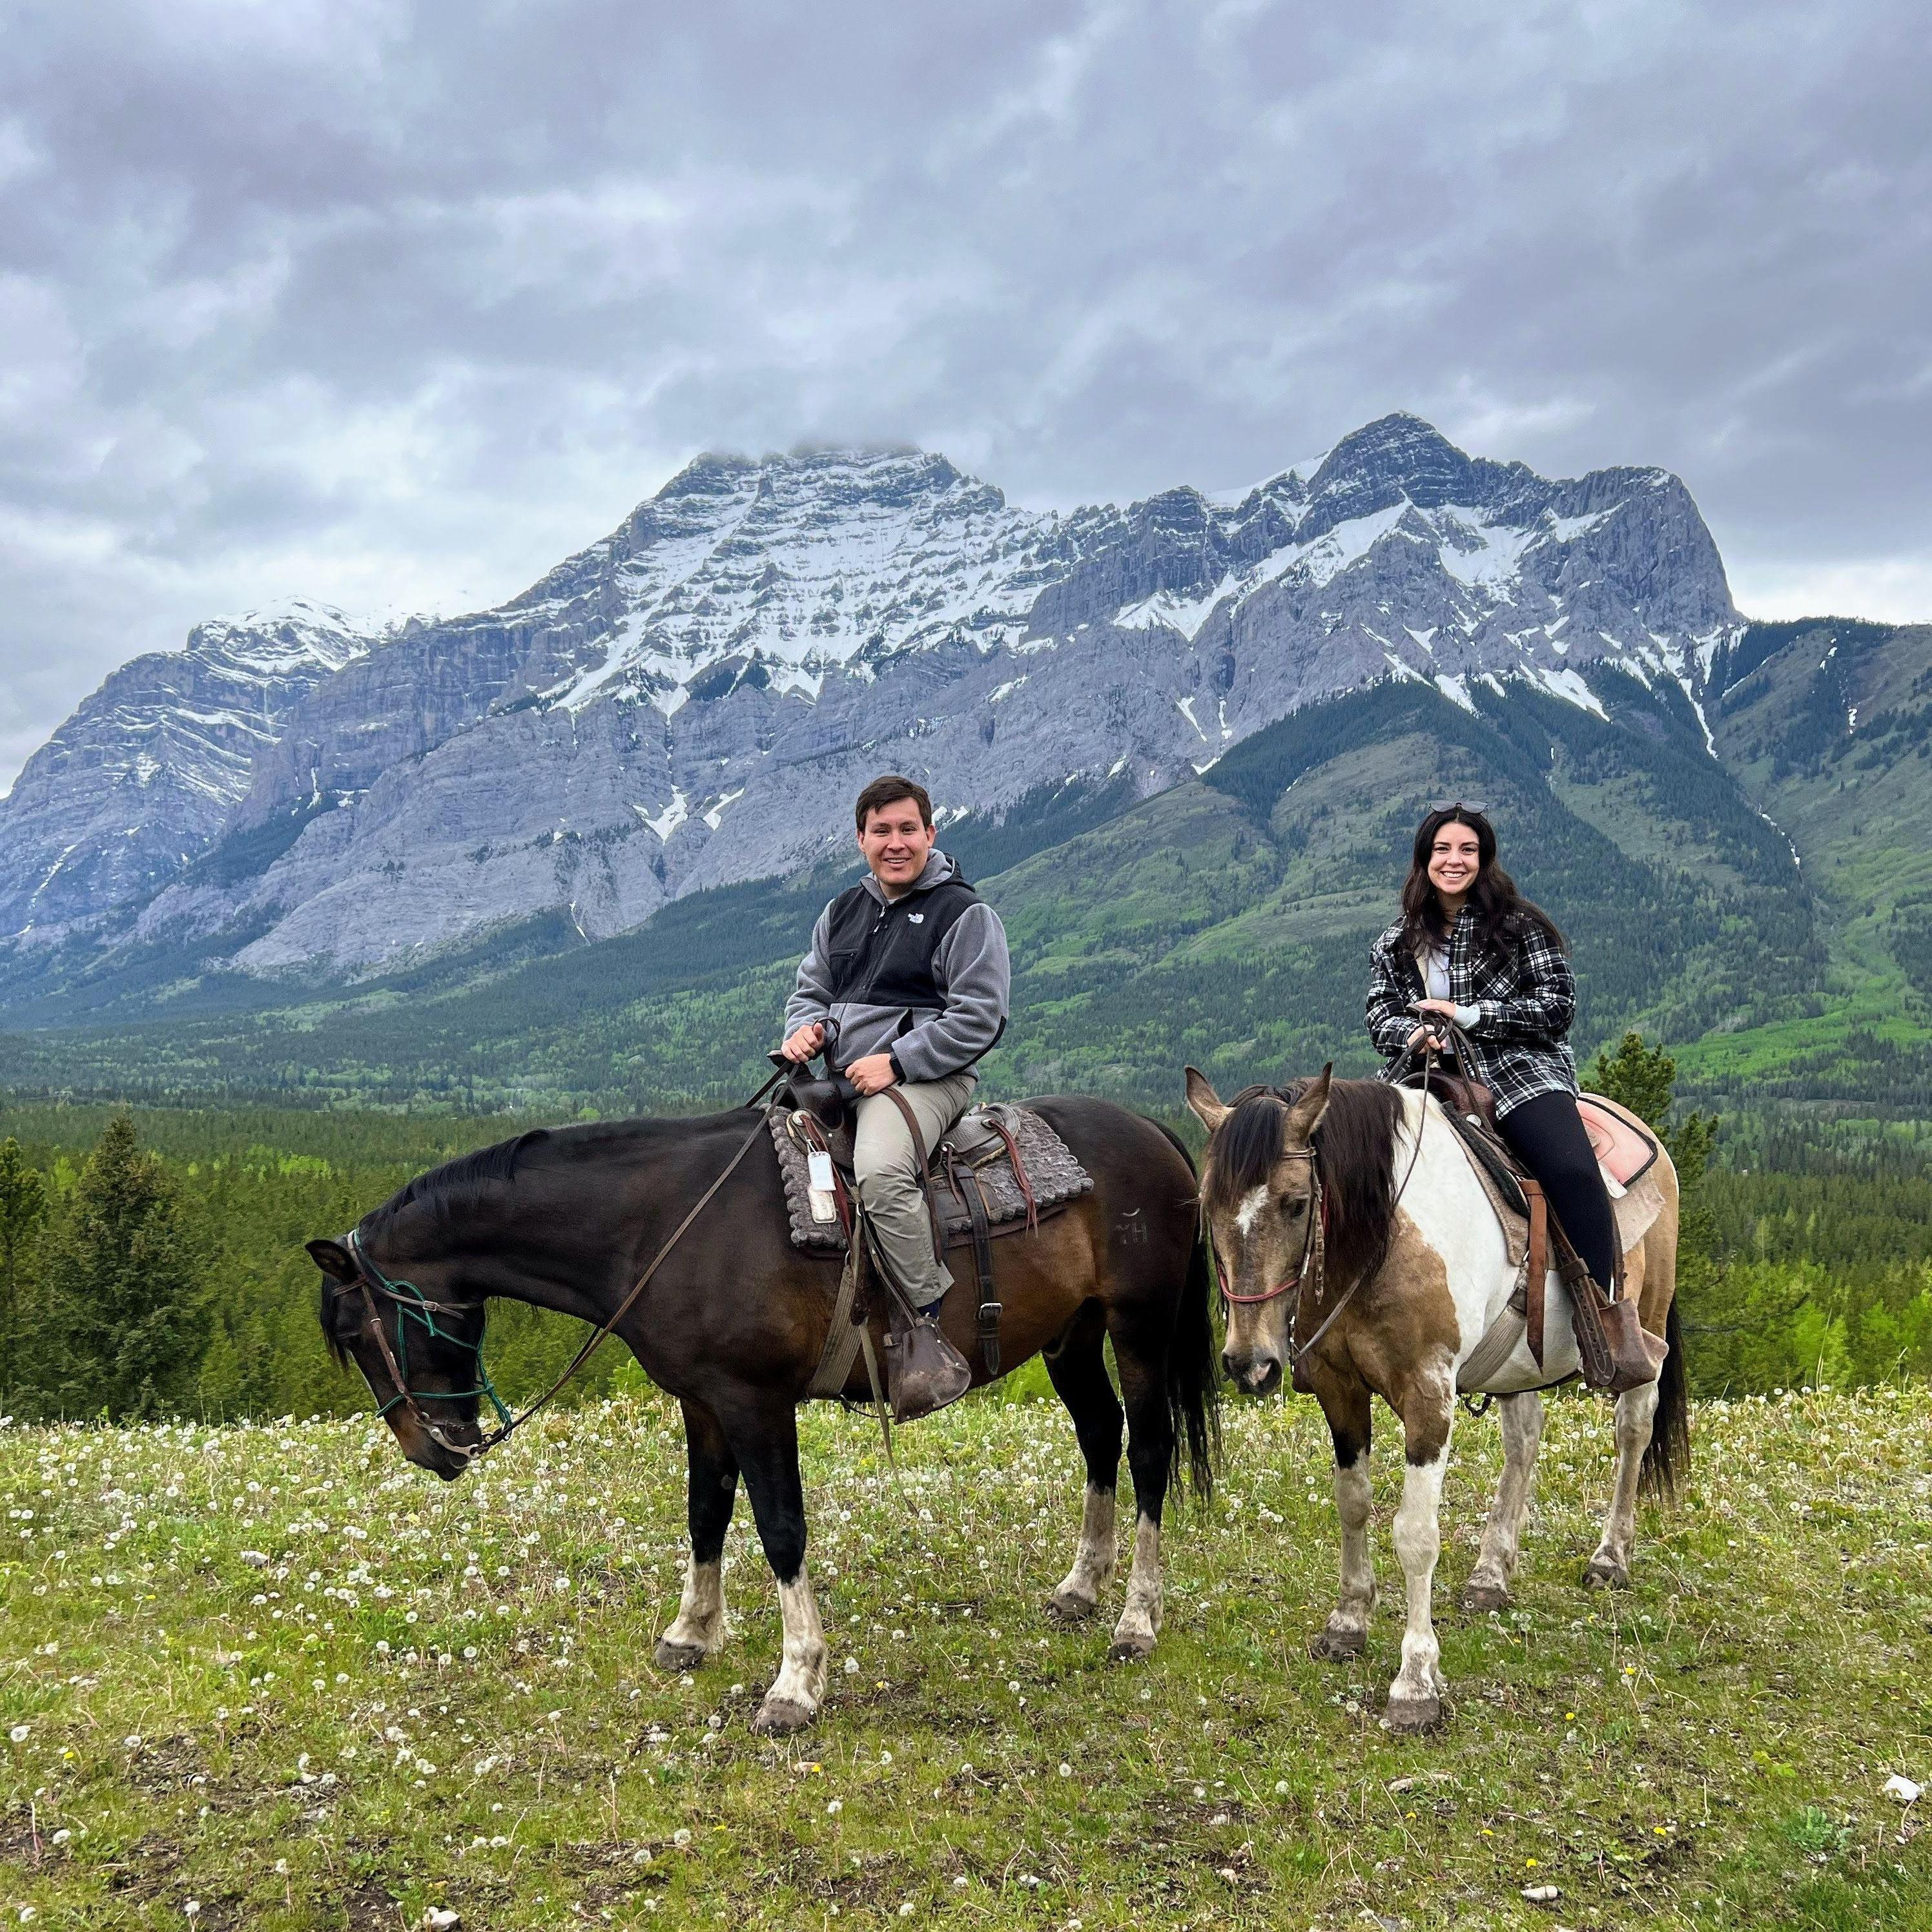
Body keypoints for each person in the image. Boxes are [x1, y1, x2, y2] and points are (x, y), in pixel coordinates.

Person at [781, 774, 1011, 1417]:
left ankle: (925, 1327)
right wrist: (806, 1030)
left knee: (881, 1174)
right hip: (842, 1076)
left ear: (930, 834)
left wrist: (900, 1061)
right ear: (861, 840)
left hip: (929, 1079)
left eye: (907, 829)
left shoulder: (965, 914)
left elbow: (981, 1016)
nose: (895, 842)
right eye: (881, 831)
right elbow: (811, 992)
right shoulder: (841, 912)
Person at [1364, 803, 1619, 1299]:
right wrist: (1412, 1035)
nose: (1453, 860)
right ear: (1425, 859)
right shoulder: (1395, 941)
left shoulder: (1521, 926)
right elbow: (1380, 1015)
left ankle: (1606, 1311)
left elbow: (1558, 1007)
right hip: (1423, 1072)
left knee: (1572, 1170)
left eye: (1467, 849)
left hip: (1519, 1069)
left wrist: (1470, 1016)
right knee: (1349, 1162)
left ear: (1485, 859)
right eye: (1442, 849)